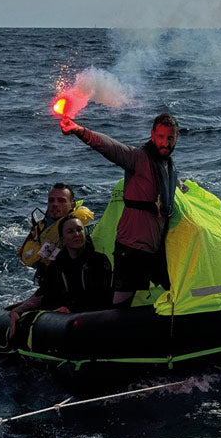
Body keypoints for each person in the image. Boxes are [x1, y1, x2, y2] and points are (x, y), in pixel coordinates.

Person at [60, 113, 185, 307]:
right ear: (152, 135)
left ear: (176, 138)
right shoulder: (139, 159)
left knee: (178, 289)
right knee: (121, 305)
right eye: (160, 137)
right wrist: (80, 131)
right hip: (131, 250)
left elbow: (171, 185)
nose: (165, 143)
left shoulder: (168, 166)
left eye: (170, 138)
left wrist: (183, 187)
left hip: (156, 250)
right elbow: (110, 147)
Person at [10, 215, 113, 335]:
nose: (76, 234)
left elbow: (101, 297)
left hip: (97, 320)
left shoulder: (99, 261)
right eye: (70, 232)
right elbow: (46, 293)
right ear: (63, 240)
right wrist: (18, 310)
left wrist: (70, 308)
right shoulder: (57, 265)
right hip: (66, 321)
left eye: (79, 230)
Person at [18, 182, 94, 284]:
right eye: (51, 200)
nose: (55, 204)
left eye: (61, 200)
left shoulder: (80, 227)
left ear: (72, 204)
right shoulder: (40, 228)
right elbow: (29, 260)